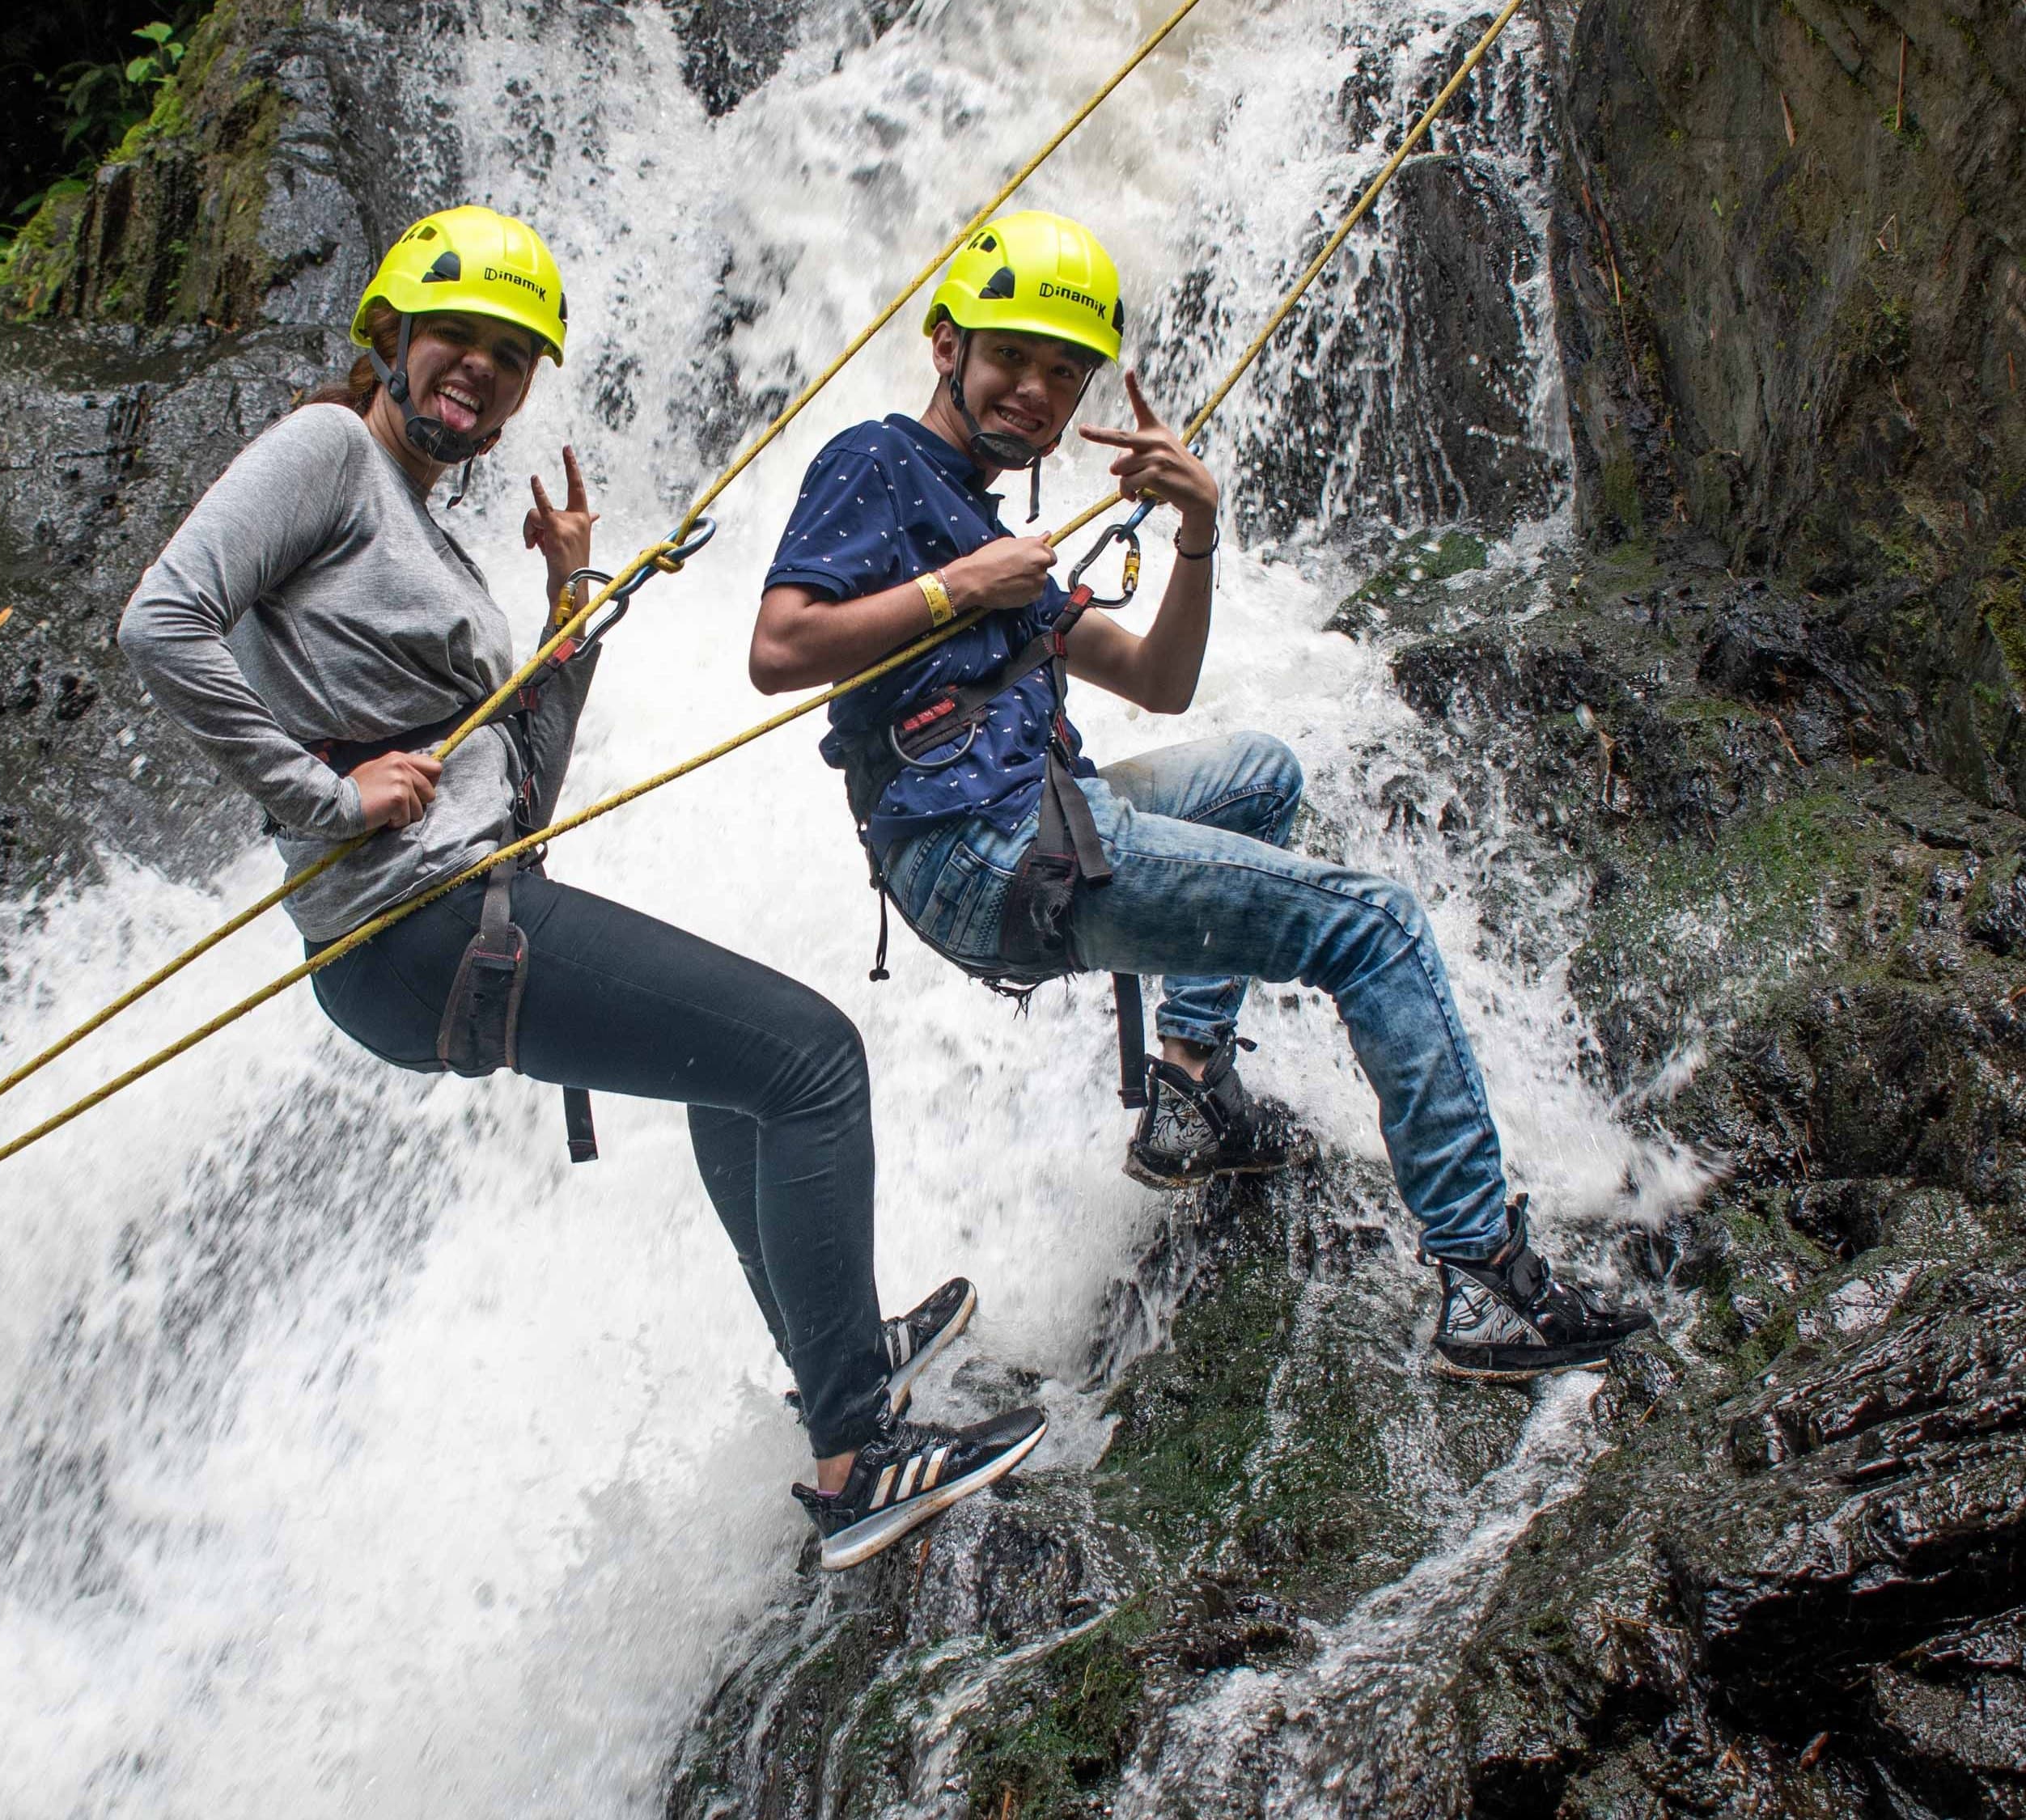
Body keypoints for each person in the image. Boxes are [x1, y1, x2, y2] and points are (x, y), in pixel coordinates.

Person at [119, 204, 1047, 1568]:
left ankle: (833, 1346)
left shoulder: (424, 538)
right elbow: (162, 620)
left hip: (450, 916)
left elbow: (520, 793)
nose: (481, 374)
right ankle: (859, 1452)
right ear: (390, 331)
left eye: (510, 358)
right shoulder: (326, 451)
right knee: (812, 1060)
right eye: (459, 339)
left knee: (746, 1073)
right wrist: (325, 797)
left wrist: (566, 606)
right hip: (416, 923)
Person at [748, 210, 1652, 1380]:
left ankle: (1193, 1085)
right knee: (1372, 928)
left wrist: (1199, 531)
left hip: (1036, 818)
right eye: (1012, 357)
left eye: (1063, 372)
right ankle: (1486, 1281)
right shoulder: (877, 461)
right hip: (982, 847)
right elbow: (780, 646)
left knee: (1260, 773)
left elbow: (1160, 682)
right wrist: (964, 588)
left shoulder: (990, 525)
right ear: (944, 346)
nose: (1037, 389)